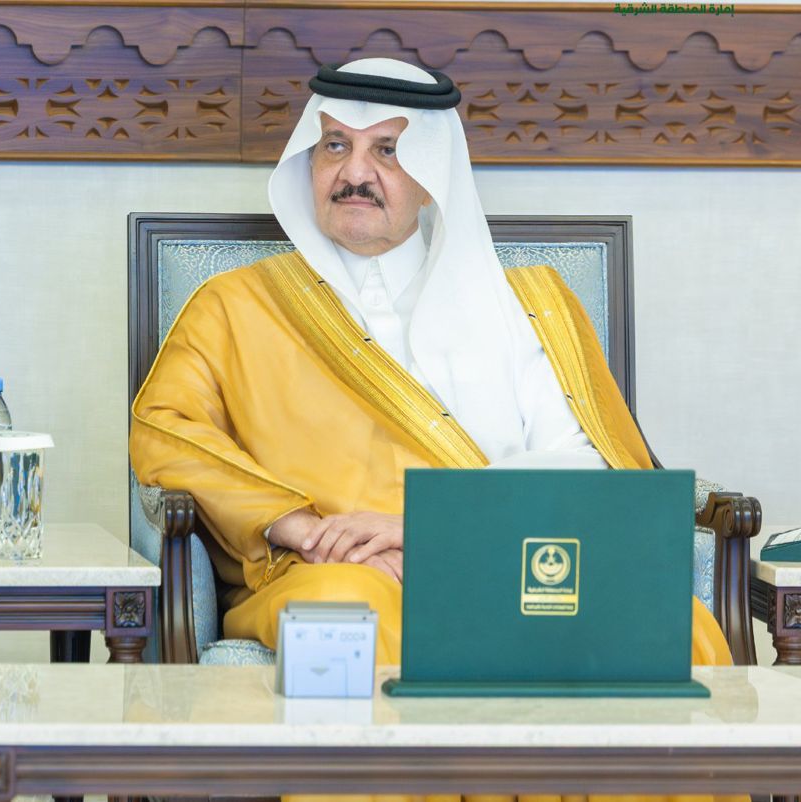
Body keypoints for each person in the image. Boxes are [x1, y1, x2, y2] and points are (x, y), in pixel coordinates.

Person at [129, 58, 731, 667]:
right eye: (335, 145)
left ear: (430, 177)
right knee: (341, 610)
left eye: (387, 150)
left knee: (672, 624)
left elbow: (588, 466)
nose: (354, 173)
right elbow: (165, 431)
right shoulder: (236, 306)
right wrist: (303, 530)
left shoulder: (526, 306)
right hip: (329, 571)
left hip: (500, 558)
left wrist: (429, 529)